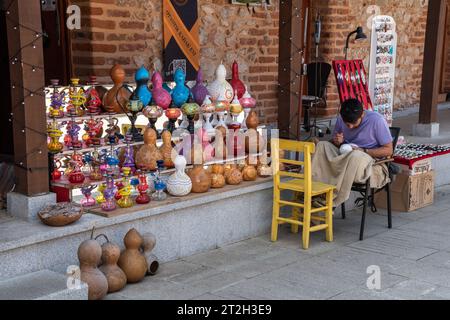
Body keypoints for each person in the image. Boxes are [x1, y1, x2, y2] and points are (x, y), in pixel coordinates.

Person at [312, 99, 393, 206]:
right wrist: (338, 142)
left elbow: (388, 150)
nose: (350, 127)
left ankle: (333, 199)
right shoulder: (341, 119)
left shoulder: (377, 121)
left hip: (368, 158)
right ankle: (313, 191)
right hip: (344, 154)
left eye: (354, 123)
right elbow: (335, 143)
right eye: (347, 124)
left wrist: (364, 151)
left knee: (355, 155)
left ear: (362, 114)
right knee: (322, 146)